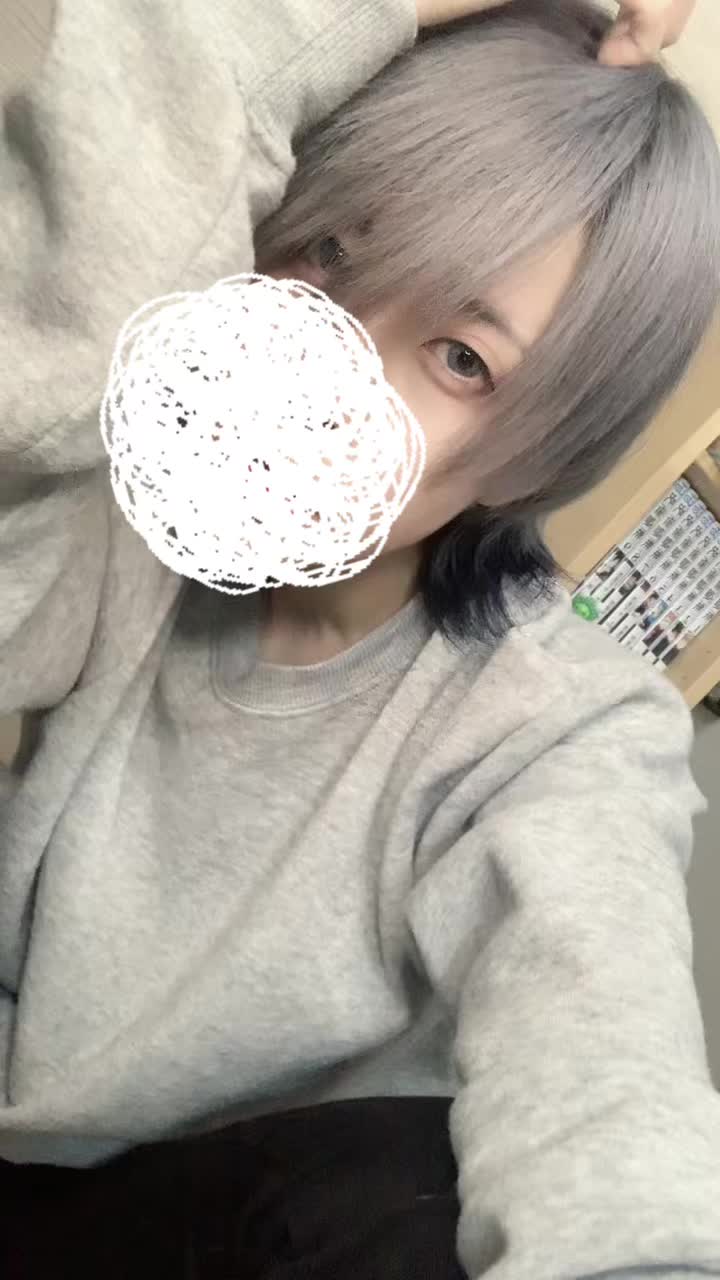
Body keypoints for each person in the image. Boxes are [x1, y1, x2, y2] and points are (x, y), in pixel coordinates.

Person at [1, 0, 720, 1276]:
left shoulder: (555, 728)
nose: (325, 379)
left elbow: (607, 1074)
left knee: (412, 1182)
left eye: (459, 358)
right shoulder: (125, 511)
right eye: (330, 253)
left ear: (540, 453)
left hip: (179, 1223)